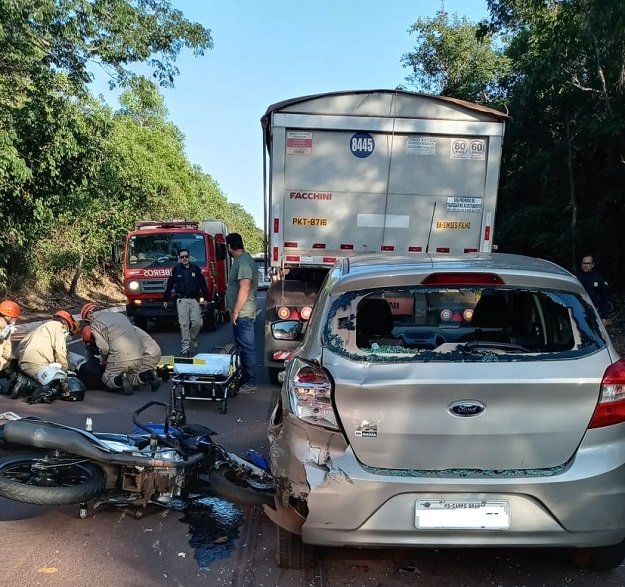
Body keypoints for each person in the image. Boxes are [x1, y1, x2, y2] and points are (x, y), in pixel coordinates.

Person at [82, 302, 162, 394]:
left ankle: (119, 379)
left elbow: (104, 348)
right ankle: (148, 375)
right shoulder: (120, 316)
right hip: (139, 355)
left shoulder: (96, 324)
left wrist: (104, 359)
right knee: (132, 377)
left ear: (89, 317)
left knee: (107, 379)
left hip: (121, 356)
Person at [12, 310, 81, 399]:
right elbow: (60, 351)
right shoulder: (60, 328)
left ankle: (22, 379)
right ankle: (25, 383)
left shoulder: (41, 328)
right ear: (67, 324)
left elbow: (20, 346)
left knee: (40, 376)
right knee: (55, 383)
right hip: (38, 363)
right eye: (70, 333)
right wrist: (65, 370)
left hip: (24, 363)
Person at [225, 233, 258, 394]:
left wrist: (236, 311)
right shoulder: (241, 261)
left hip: (243, 313)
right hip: (242, 313)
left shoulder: (243, 262)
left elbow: (244, 288)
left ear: (229, 247)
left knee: (246, 348)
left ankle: (250, 383)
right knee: (242, 348)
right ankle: (244, 378)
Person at [163, 248, 210, 356]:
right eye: (182, 257)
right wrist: (166, 299)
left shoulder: (196, 269)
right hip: (181, 300)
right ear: (179, 258)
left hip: (194, 300)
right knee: (184, 323)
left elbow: (203, 284)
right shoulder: (176, 270)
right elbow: (170, 285)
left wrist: (206, 298)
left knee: (197, 322)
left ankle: (193, 337)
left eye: (186, 256)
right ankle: (185, 346)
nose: (184, 258)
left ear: (189, 257)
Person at [577, 254, 610, 325]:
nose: (586, 265)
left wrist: (604, 317)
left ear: (592, 265)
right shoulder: (576, 278)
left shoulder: (598, 280)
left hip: (594, 312)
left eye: (588, 263)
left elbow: (604, 299)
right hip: (577, 311)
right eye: (584, 263)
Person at [0, 299, 21, 394]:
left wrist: (14, 361)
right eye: (14, 318)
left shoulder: (6, 330)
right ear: (8, 317)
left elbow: (7, 350)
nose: (15, 321)